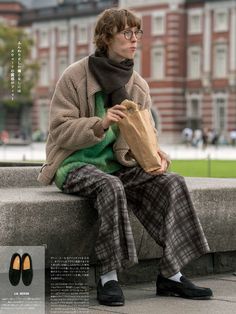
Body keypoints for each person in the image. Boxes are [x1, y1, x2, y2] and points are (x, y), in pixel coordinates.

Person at [38, 8, 213, 307]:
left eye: (137, 33)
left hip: (118, 166)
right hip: (74, 163)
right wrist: (101, 123)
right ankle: (108, 276)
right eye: (126, 33)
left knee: (173, 183)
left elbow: (148, 134)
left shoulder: (138, 85)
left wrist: (158, 154)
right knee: (111, 186)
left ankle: (171, 274)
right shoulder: (75, 76)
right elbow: (58, 131)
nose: (135, 40)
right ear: (106, 38)